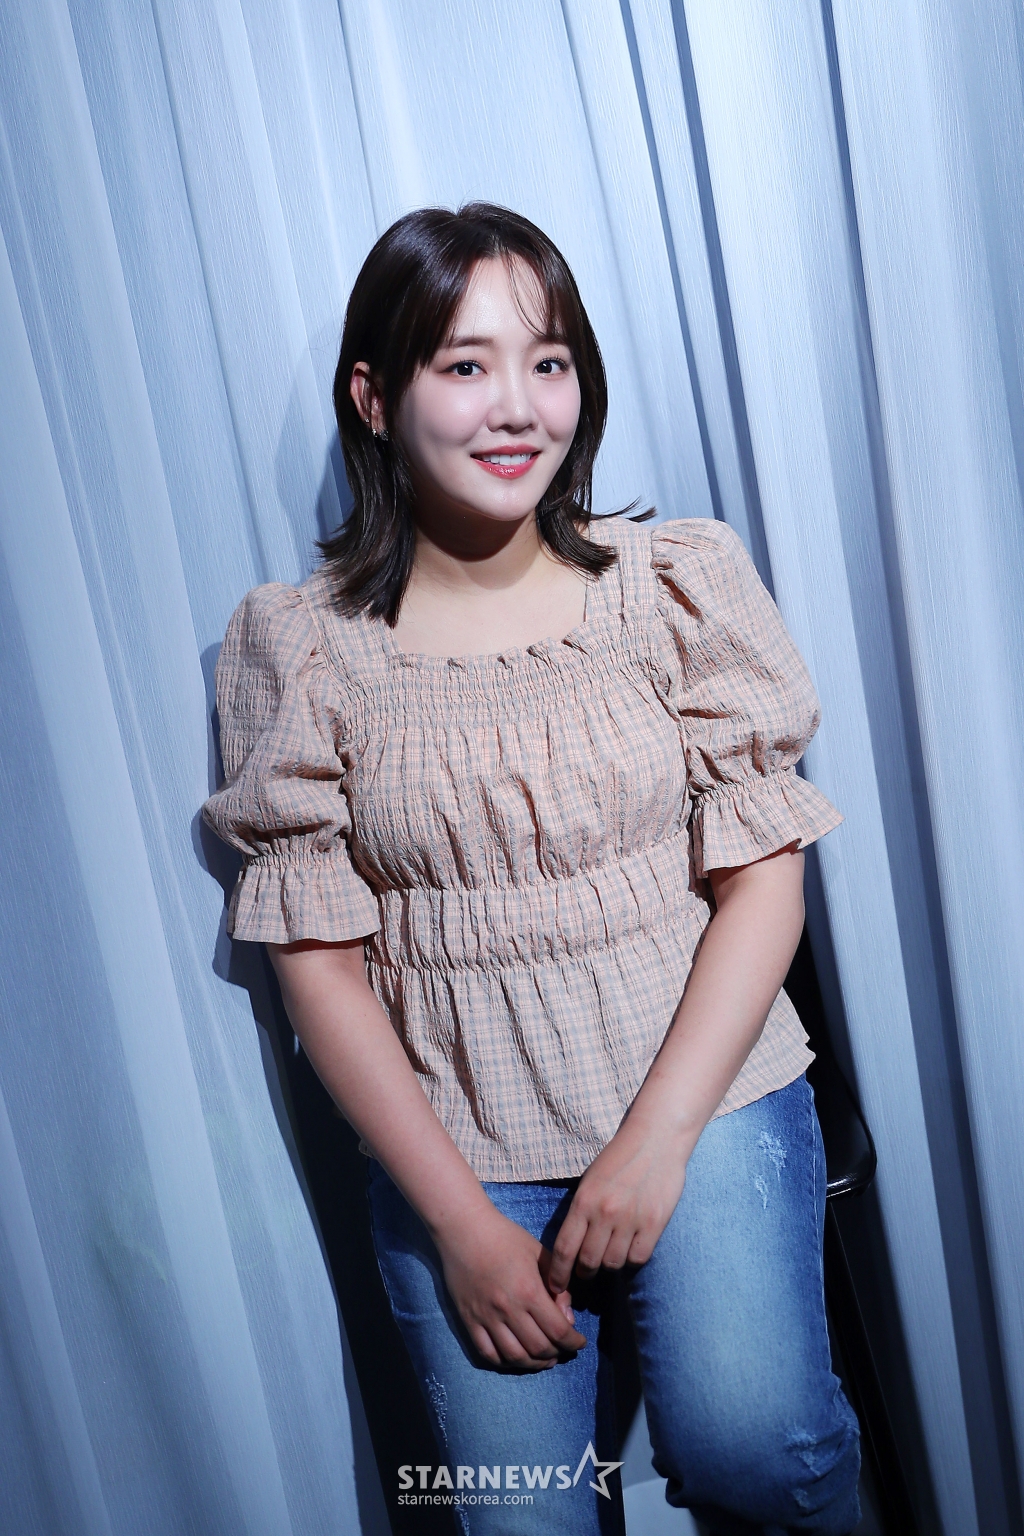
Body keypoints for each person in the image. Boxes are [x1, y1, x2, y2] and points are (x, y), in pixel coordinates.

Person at [202, 203, 861, 1536]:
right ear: (374, 398)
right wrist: (458, 1224)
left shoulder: (673, 584)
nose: (518, 405)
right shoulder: (300, 648)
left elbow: (764, 878)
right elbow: (318, 969)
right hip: (456, 1140)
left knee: (754, 1451)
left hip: (706, 1089)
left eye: (548, 361)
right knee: (519, 1517)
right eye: (466, 364)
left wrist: (656, 1146)